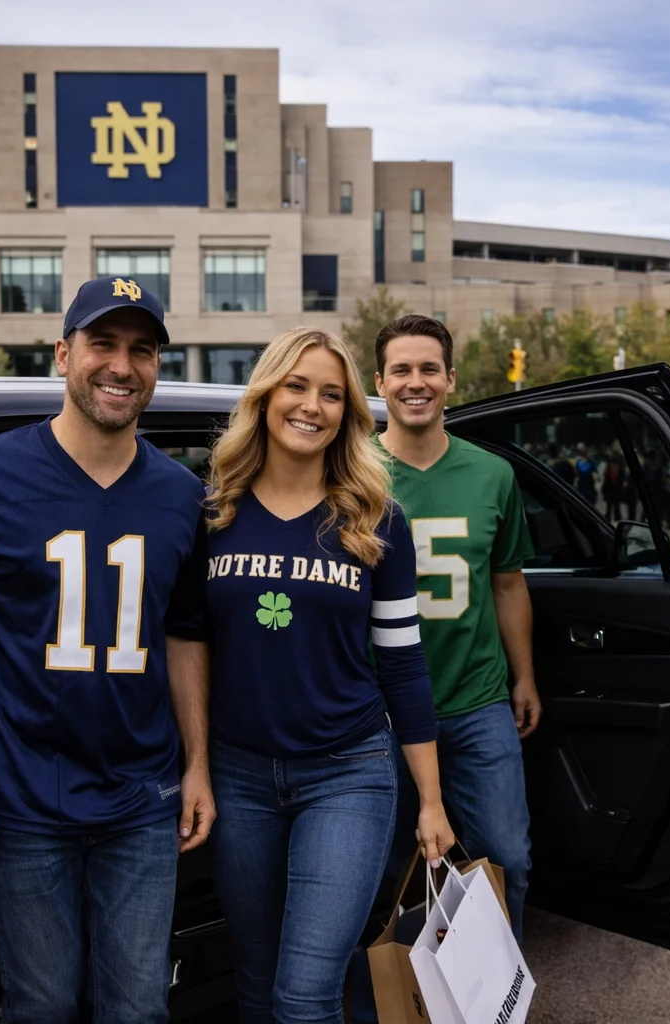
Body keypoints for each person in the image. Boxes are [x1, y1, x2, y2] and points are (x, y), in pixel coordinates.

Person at [0, 277, 214, 1024]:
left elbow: (183, 633)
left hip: (142, 800)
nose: (121, 366)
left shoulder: (180, 494)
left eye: (142, 351)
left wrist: (197, 762)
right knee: (40, 1005)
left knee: (138, 1008)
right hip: (19, 794)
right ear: (63, 354)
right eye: (102, 344)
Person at [200, 327, 453, 1024]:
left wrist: (429, 800)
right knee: (253, 981)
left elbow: (403, 663)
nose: (312, 405)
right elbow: (185, 649)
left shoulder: (377, 520)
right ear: (266, 396)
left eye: (332, 394)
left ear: (348, 412)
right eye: (297, 386)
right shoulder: (214, 512)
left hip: (349, 772)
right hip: (238, 775)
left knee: (304, 996)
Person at [370, 313, 541, 944]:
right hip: (378, 709)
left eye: (429, 369)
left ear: (450, 379)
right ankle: (394, 1004)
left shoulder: (492, 475)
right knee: (386, 875)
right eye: (402, 370)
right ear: (381, 382)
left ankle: (493, 1001)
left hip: (476, 699)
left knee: (508, 859)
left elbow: (507, 583)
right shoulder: (349, 473)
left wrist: (524, 677)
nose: (416, 382)